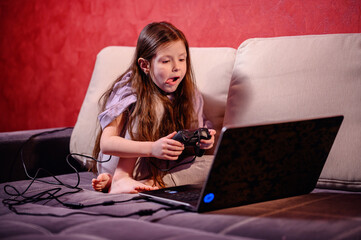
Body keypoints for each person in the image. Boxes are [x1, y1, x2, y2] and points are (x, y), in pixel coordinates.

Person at [91, 22, 216, 194]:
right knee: (155, 105)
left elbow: (190, 144)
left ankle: (152, 182)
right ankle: (120, 178)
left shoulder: (191, 94)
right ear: (145, 65)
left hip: (159, 168)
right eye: (166, 61)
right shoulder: (128, 90)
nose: (177, 67)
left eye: (182, 59)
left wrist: (203, 141)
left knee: (217, 165)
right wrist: (152, 148)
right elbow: (106, 143)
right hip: (122, 161)